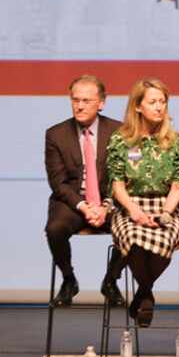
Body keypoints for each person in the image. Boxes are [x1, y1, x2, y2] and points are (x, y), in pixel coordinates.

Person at [106, 77, 179, 327]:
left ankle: (143, 292)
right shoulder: (120, 140)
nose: (159, 107)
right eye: (152, 102)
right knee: (133, 238)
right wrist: (134, 211)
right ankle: (146, 294)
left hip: (166, 207)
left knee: (164, 238)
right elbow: (117, 185)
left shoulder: (178, 141)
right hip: (130, 206)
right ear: (138, 106)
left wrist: (165, 214)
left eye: (162, 102)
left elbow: (178, 185)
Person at [44, 74, 124, 307]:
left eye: (86, 100)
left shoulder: (119, 131)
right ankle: (69, 280)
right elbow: (58, 181)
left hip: (110, 201)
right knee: (55, 228)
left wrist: (106, 205)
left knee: (134, 228)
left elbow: (124, 176)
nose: (79, 105)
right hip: (72, 202)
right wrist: (83, 206)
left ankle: (111, 280)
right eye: (75, 99)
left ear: (101, 103)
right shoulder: (56, 134)